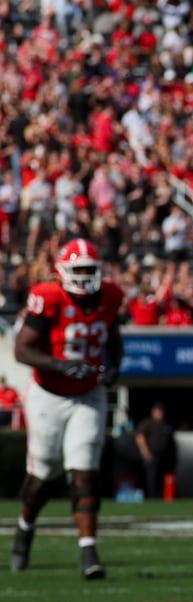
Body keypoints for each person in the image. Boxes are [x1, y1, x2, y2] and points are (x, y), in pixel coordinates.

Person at [10, 239, 125, 579]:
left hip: (88, 394)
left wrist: (114, 367)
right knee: (43, 474)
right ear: (62, 272)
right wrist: (60, 365)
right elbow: (22, 350)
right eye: (79, 270)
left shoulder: (110, 296)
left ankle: (89, 551)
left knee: (85, 471)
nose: (86, 276)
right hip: (48, 394)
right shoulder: (48, 296)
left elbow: (114, 341)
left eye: (90, 270)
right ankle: (25, 528)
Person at [133, 401, 176, 500]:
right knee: (151, 479)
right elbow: (140, 437)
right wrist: (145, 452)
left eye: (161, 411)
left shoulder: (166, 424)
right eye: (158, 411)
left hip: (163, 457)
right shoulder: (147, 423)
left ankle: (159, 497)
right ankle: (150, 497)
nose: (160, 414)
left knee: (161, 479)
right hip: (151, 455)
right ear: (153, 412)